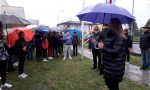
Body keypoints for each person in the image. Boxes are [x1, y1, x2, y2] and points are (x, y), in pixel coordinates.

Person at [98, 18, 126, 90]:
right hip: (109, 66)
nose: (108, 24)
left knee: (113, 86)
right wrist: (103, 45)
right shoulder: (110, 35)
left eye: (110, 23)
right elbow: (110, 47)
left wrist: (103, 47)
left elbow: (115, 52)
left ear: (114, 25)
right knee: (109, 83)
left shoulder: (119, 37)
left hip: (115, 67)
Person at [0, 21, 12, 90]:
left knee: (3, 72)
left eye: (2, 30)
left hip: (4, 57)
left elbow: (5, 46)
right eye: (0, 30)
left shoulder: (3, 37)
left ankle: (3, 83)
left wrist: (8, 45)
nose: (1, 31)